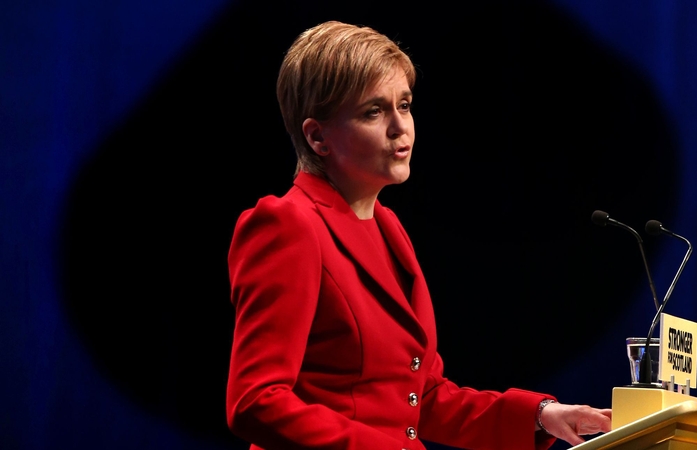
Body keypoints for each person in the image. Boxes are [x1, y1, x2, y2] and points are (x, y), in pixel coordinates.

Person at [225, 20, 612, 450]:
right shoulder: (287, 225)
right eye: (374, 111)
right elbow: (256, 400)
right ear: (317, 137)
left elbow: (421, 397)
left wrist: (541, 416)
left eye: (404, 105)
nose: (400, 126)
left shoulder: (389, 229)